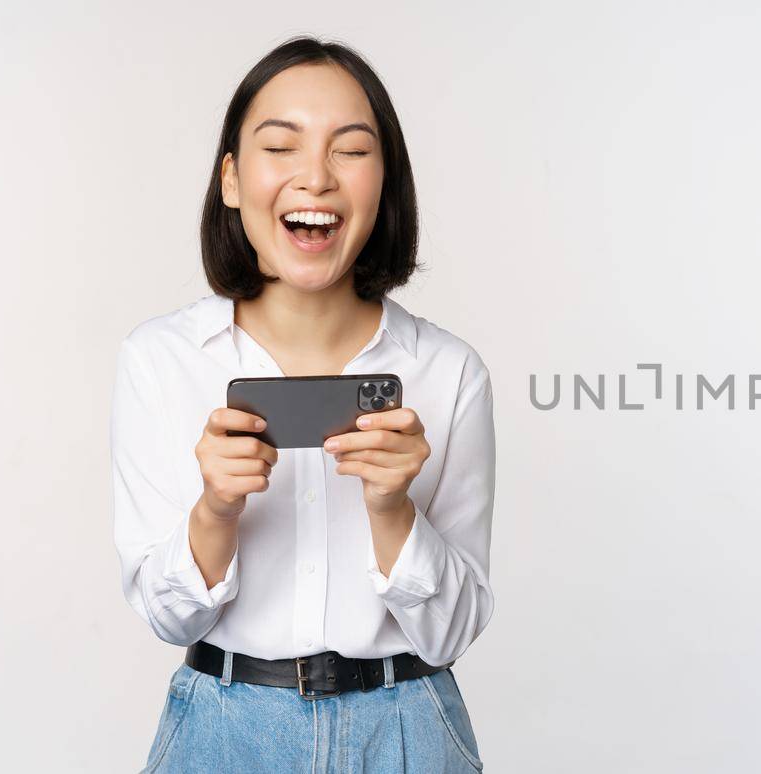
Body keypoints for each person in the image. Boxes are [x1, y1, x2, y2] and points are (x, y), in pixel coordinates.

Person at [110, 36, 494, 773]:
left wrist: (393, 510)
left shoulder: (448, 373)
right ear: (231, 178)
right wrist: (215, 510)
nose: (314, 178)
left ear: (384, 183)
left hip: (408, 730)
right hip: (223, 731)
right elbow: (168, 617)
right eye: (280, 146)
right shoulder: (160, 361)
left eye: (350, 150)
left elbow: (450, 635)